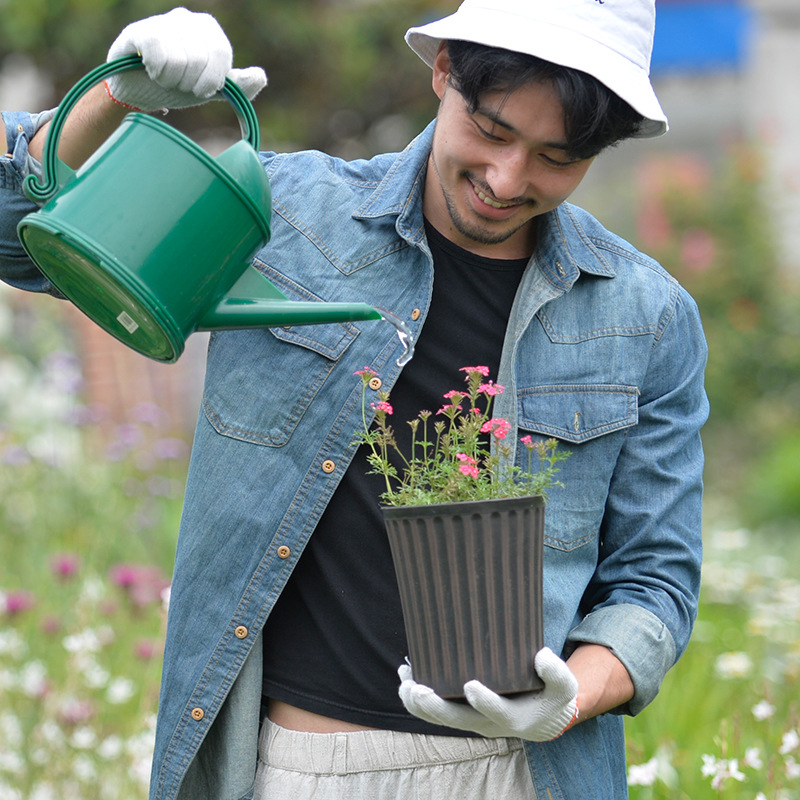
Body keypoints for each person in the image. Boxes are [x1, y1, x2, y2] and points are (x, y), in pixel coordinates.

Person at [0, 2, 709, 798]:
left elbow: (655, 581)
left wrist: (571, 696)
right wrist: (117, 96)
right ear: (443, 71)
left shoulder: (646, 316)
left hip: (523, 775)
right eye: (492, 130)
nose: (508, 180)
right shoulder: (288, 216)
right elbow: (24, 238)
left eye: (555, 156)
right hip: (294, 769)